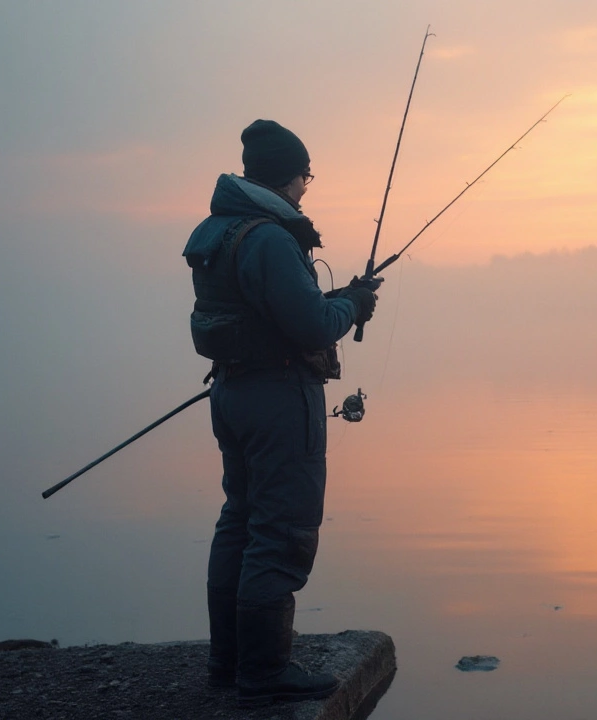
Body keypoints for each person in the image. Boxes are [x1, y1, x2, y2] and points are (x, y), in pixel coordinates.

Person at [182, 119, 379, 705]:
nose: (306, 188)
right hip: (278, 398)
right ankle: (264, 672)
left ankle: (229, 662)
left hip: (234, 394)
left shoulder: (220, 228)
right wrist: (352, 303)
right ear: (287, 175)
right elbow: (314, 324)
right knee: (281, 529)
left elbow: (274, 308)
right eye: (305, 176)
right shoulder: (268, 237)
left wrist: (337, 299)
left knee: (240, 520)